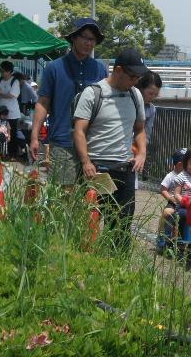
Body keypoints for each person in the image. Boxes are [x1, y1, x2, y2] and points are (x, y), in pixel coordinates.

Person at [72, 49, 148, 246]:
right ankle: (85, 264)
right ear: (118, 70)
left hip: (124, 168)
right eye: (132, 76)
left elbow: (140, 129)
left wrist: (141, 154)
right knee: (89, 223)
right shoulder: (93, 93)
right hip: (95, 170)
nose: (135, 81)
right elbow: (79, 130)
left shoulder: (135, 95)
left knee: (122, 225)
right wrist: (85, 161)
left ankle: (117, 268)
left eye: (138, 77)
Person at [30, 18, 108, 185]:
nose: (89, 43)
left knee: (91, 196)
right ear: (74, 38)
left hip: (93, 143)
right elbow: (43, 102)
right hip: (62, 141)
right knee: (62, 195)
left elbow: (106, 105)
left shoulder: (100, 68)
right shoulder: (54, 67)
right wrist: (34, 136)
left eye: (92, 39)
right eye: (85, 37)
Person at [156, 148, 187, 252]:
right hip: (174, 202)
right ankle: (162, 237)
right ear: (179, 164)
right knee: (167, 213)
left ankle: (184, 239)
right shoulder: (171, 176)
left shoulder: (190, 175)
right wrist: (170, 198)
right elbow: (163, 190)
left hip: (187, 202)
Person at [0, 61, 21, 159]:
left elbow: (12, 95)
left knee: (11, 134)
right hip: (0, 113)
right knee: (0, 133)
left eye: (3, 71)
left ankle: (12, 154)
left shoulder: (15, 81)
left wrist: (0, 94)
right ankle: (1, 153)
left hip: (12, 113)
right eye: (0, 71)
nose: (1, 73)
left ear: (9, 71)